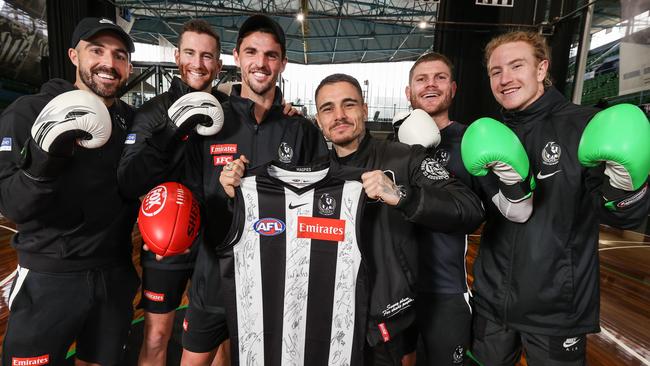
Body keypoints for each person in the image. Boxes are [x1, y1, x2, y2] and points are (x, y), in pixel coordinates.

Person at [221, 73, 484, 365]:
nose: (339, 116)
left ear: (365, 109)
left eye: (349, 105)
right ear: (319, 121)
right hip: (329, 322)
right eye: (328, 109)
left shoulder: (404, 158)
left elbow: (469, 208)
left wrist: (400, 194)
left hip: (386, 322)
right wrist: (238, 192)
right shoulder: (313, 172)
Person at [466, 31, 650, 365]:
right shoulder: (489, 135)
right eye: (496, 71)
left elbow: (625, 218)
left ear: (541, 69)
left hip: (556, 310)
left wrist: (628, 185)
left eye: (516, 66)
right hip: (492, 303)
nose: (505, 79)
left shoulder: (583, 126)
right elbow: (479, 210)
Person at [0, 17, 140, 365]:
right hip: (50, 277)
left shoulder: (132, 121)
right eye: (97, 51)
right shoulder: (28, 112)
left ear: (128, 66)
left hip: (115, 273)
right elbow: (10, 204)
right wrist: (45, 158)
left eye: (119, 55)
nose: (109, 63)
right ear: (74, 55)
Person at [118, 19, 228, 366]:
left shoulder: (229, 113)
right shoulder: (152, 113)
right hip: (168, 243)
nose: (198, 64)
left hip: (216, 243)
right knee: (156, 336)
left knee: (218, 336)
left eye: (207, 56)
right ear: (177, 56)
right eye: (191, 53)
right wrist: (170, 133)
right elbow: (129, 180)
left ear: (218, 64)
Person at [396, 52, 477, 365]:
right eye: (421, 79)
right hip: (397, 286)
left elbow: (489, 213)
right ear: (409, 92)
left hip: (446, 288)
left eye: (440, 77)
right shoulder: (394, 145)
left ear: (453, 88)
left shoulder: (472, 141)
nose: (430, 85)